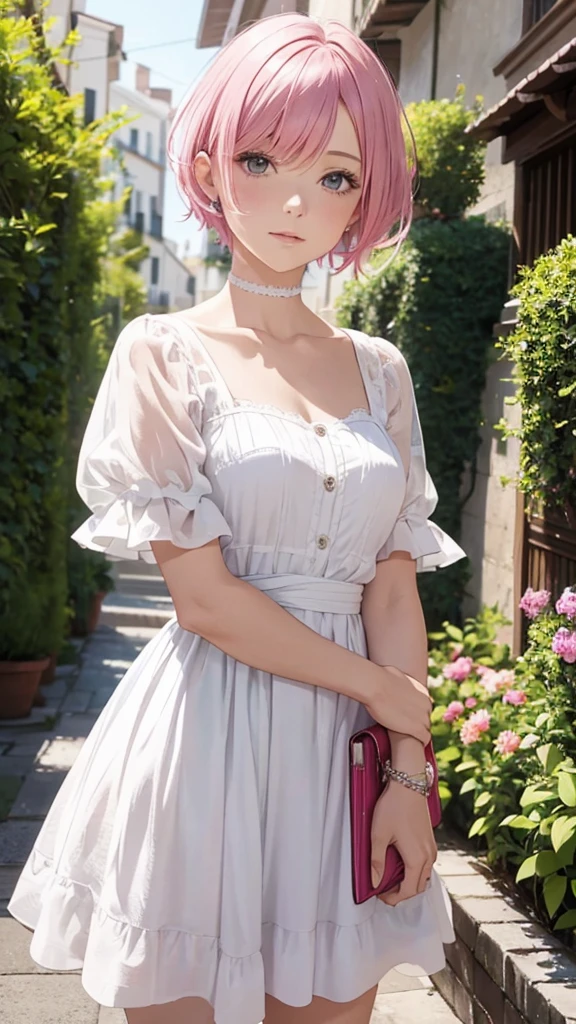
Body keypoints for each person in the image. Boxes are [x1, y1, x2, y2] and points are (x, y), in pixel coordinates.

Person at [8, 13, 466, 1024]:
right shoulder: (160, 351)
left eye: (336, 175)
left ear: (368, 193)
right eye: (264, 160)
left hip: (344, 760)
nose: (298, 200)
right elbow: (207, 599)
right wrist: (394, 697)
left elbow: (391, 582)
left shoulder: (381, 372)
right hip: (208, 739)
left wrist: (405, 765)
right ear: (213, 167)